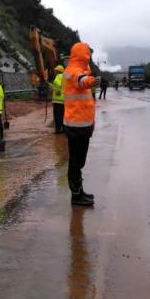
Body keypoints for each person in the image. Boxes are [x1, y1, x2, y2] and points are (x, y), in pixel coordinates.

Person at [63, 42, 100, 206]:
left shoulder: (79, 70)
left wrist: (91, 123)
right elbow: (81, 81)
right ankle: (76, 195)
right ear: (83, 56)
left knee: (79, 161)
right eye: (87, 56)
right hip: (75, 125)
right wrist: (92, 80)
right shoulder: (73, 71)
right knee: (76, 161)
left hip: (82, 125)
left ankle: (79, 191)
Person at [51, 64, 65, 133]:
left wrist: (57, 91)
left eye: (56, 70)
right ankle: (64, 129)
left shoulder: (58, 76)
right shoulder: (65, 77)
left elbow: (57, 84)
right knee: (63, 115)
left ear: (58, 71)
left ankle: (58, 129)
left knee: (57, 116)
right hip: (64, 100)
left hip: (57, 100)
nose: (55, 71)